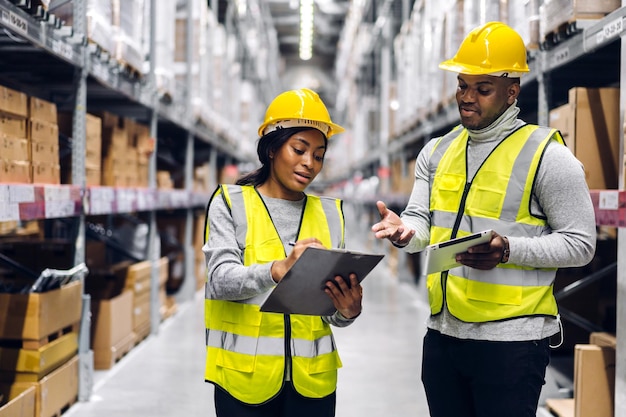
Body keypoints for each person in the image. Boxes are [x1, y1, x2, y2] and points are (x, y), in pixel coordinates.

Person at [371, 21, 597, 417]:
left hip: (513, 343)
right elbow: (421, 220)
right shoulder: (437, 152)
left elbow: (581, 244)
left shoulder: (547, 155)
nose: (467, 98)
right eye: (462, 85)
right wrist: (406, 232)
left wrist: (509, 249)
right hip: (443, 334)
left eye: (482, 88)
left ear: (512, 92)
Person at [202, 88, 363, 417]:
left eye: (318, 155)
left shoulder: (331, 214)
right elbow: (219, 281)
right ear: (273, 148)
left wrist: (347, 311)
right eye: (299, 149)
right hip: (245, 381)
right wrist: (276, 269)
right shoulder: (231, 203)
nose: (309, 163)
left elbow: (327, 310)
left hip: (313, 384)